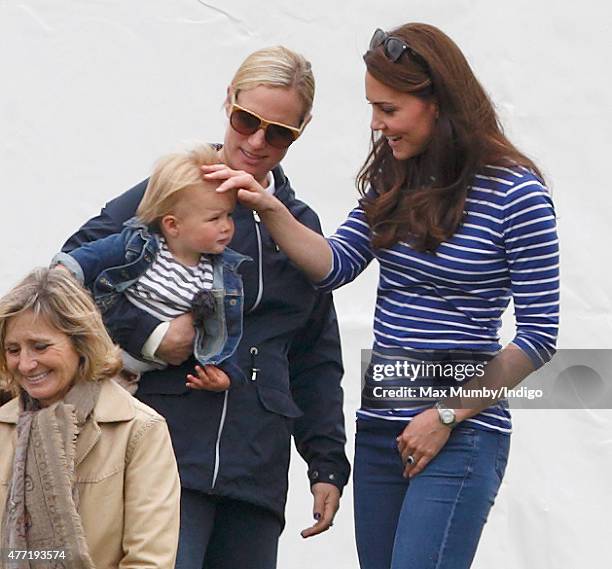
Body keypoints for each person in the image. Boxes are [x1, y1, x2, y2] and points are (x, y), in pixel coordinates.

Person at [203, 23, 560, 569]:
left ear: (435, 102)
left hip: (460, 432)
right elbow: (335, 265)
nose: (376, 123)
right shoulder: (393, 178)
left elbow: (538, 339)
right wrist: (269, 207)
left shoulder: (518, 195)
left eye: (388, 109)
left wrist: (444, 415)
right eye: (373, 107)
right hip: (382, 424)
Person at [60, 46, 350, 569]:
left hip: (257, 470)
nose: (257, 142)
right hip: (162, 449)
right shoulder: (173, 187)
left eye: (280, 132)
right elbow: (67, 282)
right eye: (247, 121)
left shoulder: (300, 224)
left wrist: (327, 462)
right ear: (229, 103)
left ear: (303, 130)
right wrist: (150, 334)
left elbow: (315, 354)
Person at [0, 267, 180, 568]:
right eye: (13, 350)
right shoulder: (4, 427)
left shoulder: (140, 430)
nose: (26, 364)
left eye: (40, 346)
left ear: (80, 342)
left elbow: (150, 560)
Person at [52, 144, 247, 394]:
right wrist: (65, 272)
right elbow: (88, 258)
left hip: (131, 379)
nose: (227, 226)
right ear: (173, 225)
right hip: (93, 354)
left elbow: (224, 330)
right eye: (214, 219)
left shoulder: (219, 278)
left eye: (229, 215)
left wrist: (226, 372)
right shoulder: (138, 246)